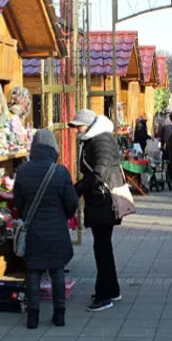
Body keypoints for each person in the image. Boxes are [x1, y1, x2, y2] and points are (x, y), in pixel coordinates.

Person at [13, 129, 78, 329]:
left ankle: (32, 317)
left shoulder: (23, 171)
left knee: (33, 271)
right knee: (57, 270)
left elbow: (18, 203)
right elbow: (72, 202)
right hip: (56, 229)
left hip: (34, 230)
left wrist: (28, 217)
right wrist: (63, 216)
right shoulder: (60, 172)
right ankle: (59, 315)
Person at [68, 109, 123, 312]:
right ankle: (112, 289)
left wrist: (77, 188)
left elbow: (99, 172)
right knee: (103, 247)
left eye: (78, 126)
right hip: (99, 201)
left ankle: (104, 295)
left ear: (89, 125)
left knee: (102, 249)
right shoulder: (95, 139)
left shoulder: (101, 140)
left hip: (103, 201)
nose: (76, 131)